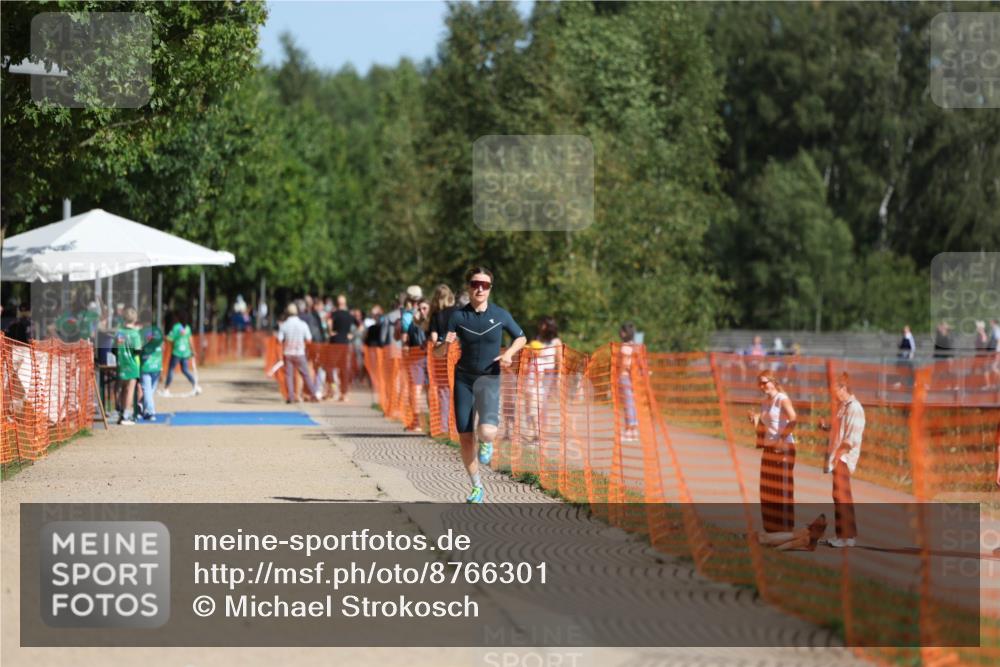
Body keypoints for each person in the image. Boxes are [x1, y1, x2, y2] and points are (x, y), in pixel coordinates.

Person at [438, 267, 527, 503]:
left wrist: (509, 353)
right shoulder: (457, 317)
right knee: (466, 437)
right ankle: (477, 487)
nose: (479, 288)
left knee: (486, 432)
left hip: (489, 378)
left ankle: (487, 443)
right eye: (475, 284)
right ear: (469, 286)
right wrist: (444, 344)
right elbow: (438, 352)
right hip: (463, 379)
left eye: (484, 285)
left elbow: (521, 337)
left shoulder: (500, 315)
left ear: (490, 289)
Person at [819, 373, 865, 547]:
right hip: (836, 457)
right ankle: (842, 535)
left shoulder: (855, 408)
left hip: (844, 458)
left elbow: (852, 437)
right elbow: (839, 428)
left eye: (834, 391)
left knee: (842, 496)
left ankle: (848, 536)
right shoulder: (842, 407)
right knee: (838, 496)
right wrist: (826, 427)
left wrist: (839, 456)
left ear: (843, 388)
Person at [748, 372, 797, 532]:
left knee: (782, 489)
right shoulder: (765, 402)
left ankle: (785, 528)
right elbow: (767, 425)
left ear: (773, 381)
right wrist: (755, 420)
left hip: (784, 449)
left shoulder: (782, 399)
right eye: (759, 384)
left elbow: (794, 419)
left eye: (764, 383)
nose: (762, 387)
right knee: (767, 489)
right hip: (769, 448)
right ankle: (771, 528)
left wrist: (781, 439)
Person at [526, 316, 563, 443]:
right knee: (530, 398)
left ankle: (539, 431)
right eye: (540, 324)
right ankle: (532, 430)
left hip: (547, 375)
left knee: (540, 402)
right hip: (533, 371)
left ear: (550, 326)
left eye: (543, 324)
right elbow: (531, 356)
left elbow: (560, 361)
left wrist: (558, 377)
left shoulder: (556, 342)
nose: (541, 327)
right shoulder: (537, 339)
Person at [277, 303, 318, 403]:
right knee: (306, 375)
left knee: (289, 376)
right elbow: (309, 338)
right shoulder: (302, 324)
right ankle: (313, 395)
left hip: (288, 353)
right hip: (300, 352)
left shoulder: (284, 325)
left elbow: (279, 339)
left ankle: (290, 396)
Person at [114, 307, 143, 425]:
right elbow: (137, 350)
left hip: (121, 364)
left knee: (121, 389)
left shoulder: (119, 333)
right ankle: (126, 415)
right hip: (132, 365)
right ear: (135, 319)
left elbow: (113, 349)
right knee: (130, 390)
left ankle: (120, 412)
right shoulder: (135, 334)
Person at [162, 312, 200, 396]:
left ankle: (166, 389)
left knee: (171, 369)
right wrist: (193, 350)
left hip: (177, 352)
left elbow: (171, 338)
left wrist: (165, 337)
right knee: (185, 370)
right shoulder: (187, 328)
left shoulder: (176, 327)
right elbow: (190, 340)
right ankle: (195, 385)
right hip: (186, 352)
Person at [138, 310, 164, 421]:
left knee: (147, 390)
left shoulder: (141, 332)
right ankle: (145, 409)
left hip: (145, 364)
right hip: (157, 365)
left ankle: (148, 411)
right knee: (150, 390)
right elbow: (162, 346)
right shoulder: (157, 331)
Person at [329, 294, 355, 401]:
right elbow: (360, 325)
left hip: (335, 342)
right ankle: (344, 393)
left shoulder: (334, 314)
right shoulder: (349, 315)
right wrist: (351, 334)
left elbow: (329, 322)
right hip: (345, 343)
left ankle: (334, 391)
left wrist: (330, 332)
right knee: (344, 368)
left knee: (332, 367)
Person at [757, 514, 827, 551]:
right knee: (760, 535)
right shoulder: (807, 532)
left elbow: (789, 545)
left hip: (770, 540)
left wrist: (774, 550)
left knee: (759, 537)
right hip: (772, 537)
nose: (814, 522)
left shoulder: (806, 538)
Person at [618, 322, 640, 441]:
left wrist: (619, 374)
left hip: (625, 376)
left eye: (623, 331)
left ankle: (629, 430)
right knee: (631, 402)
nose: (621, 333)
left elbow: (626, 364)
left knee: (628, 404)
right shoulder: (634, 346)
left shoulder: (625, 347)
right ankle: (633, 430)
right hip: (632, 377)